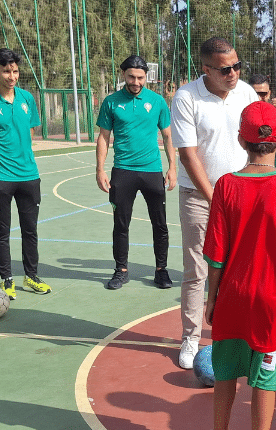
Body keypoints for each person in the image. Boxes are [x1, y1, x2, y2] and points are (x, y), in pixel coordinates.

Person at [191, 101, 276, 430]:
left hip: (233, 297)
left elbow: (215, 254)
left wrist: (212, 298)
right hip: (273, 304)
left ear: (241, 140)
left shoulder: (226, 187)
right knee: (265, 379)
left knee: (225, 371)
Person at [170, 37, 258, 369]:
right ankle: (191, 338)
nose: (233, 73)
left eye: (237, 66)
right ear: (206, 70)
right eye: (225, 69)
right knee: (197, 270)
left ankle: (238, 334)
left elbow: (257, 142)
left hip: (241, 196)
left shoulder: (246, 93)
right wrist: (217, 199)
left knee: (241, 268)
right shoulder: (186, 97)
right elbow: (188, 154)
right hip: (198, 197)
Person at [0, 48, 51, 300]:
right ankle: (7, 279)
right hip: (0, 179)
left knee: (30, 230)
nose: (12, 76)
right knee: (2, 232)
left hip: (29, 176)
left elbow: (30, 131)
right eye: (6, 71)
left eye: (15, 71)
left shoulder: (26, 99)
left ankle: (32, 276)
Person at [95, 55, 177, 290]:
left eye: (140, 77)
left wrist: (172, 167)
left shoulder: (157, 101)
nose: (136, 82)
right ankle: (121, 270)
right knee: (121, 224)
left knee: (160, 224)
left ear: (146, 77)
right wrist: (100, 169)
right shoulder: (111, 102)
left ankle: (161, 270)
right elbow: (103, 137)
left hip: (152, 171)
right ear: (124, 75)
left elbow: (168, 136)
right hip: (123, 171)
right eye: (131, 77)